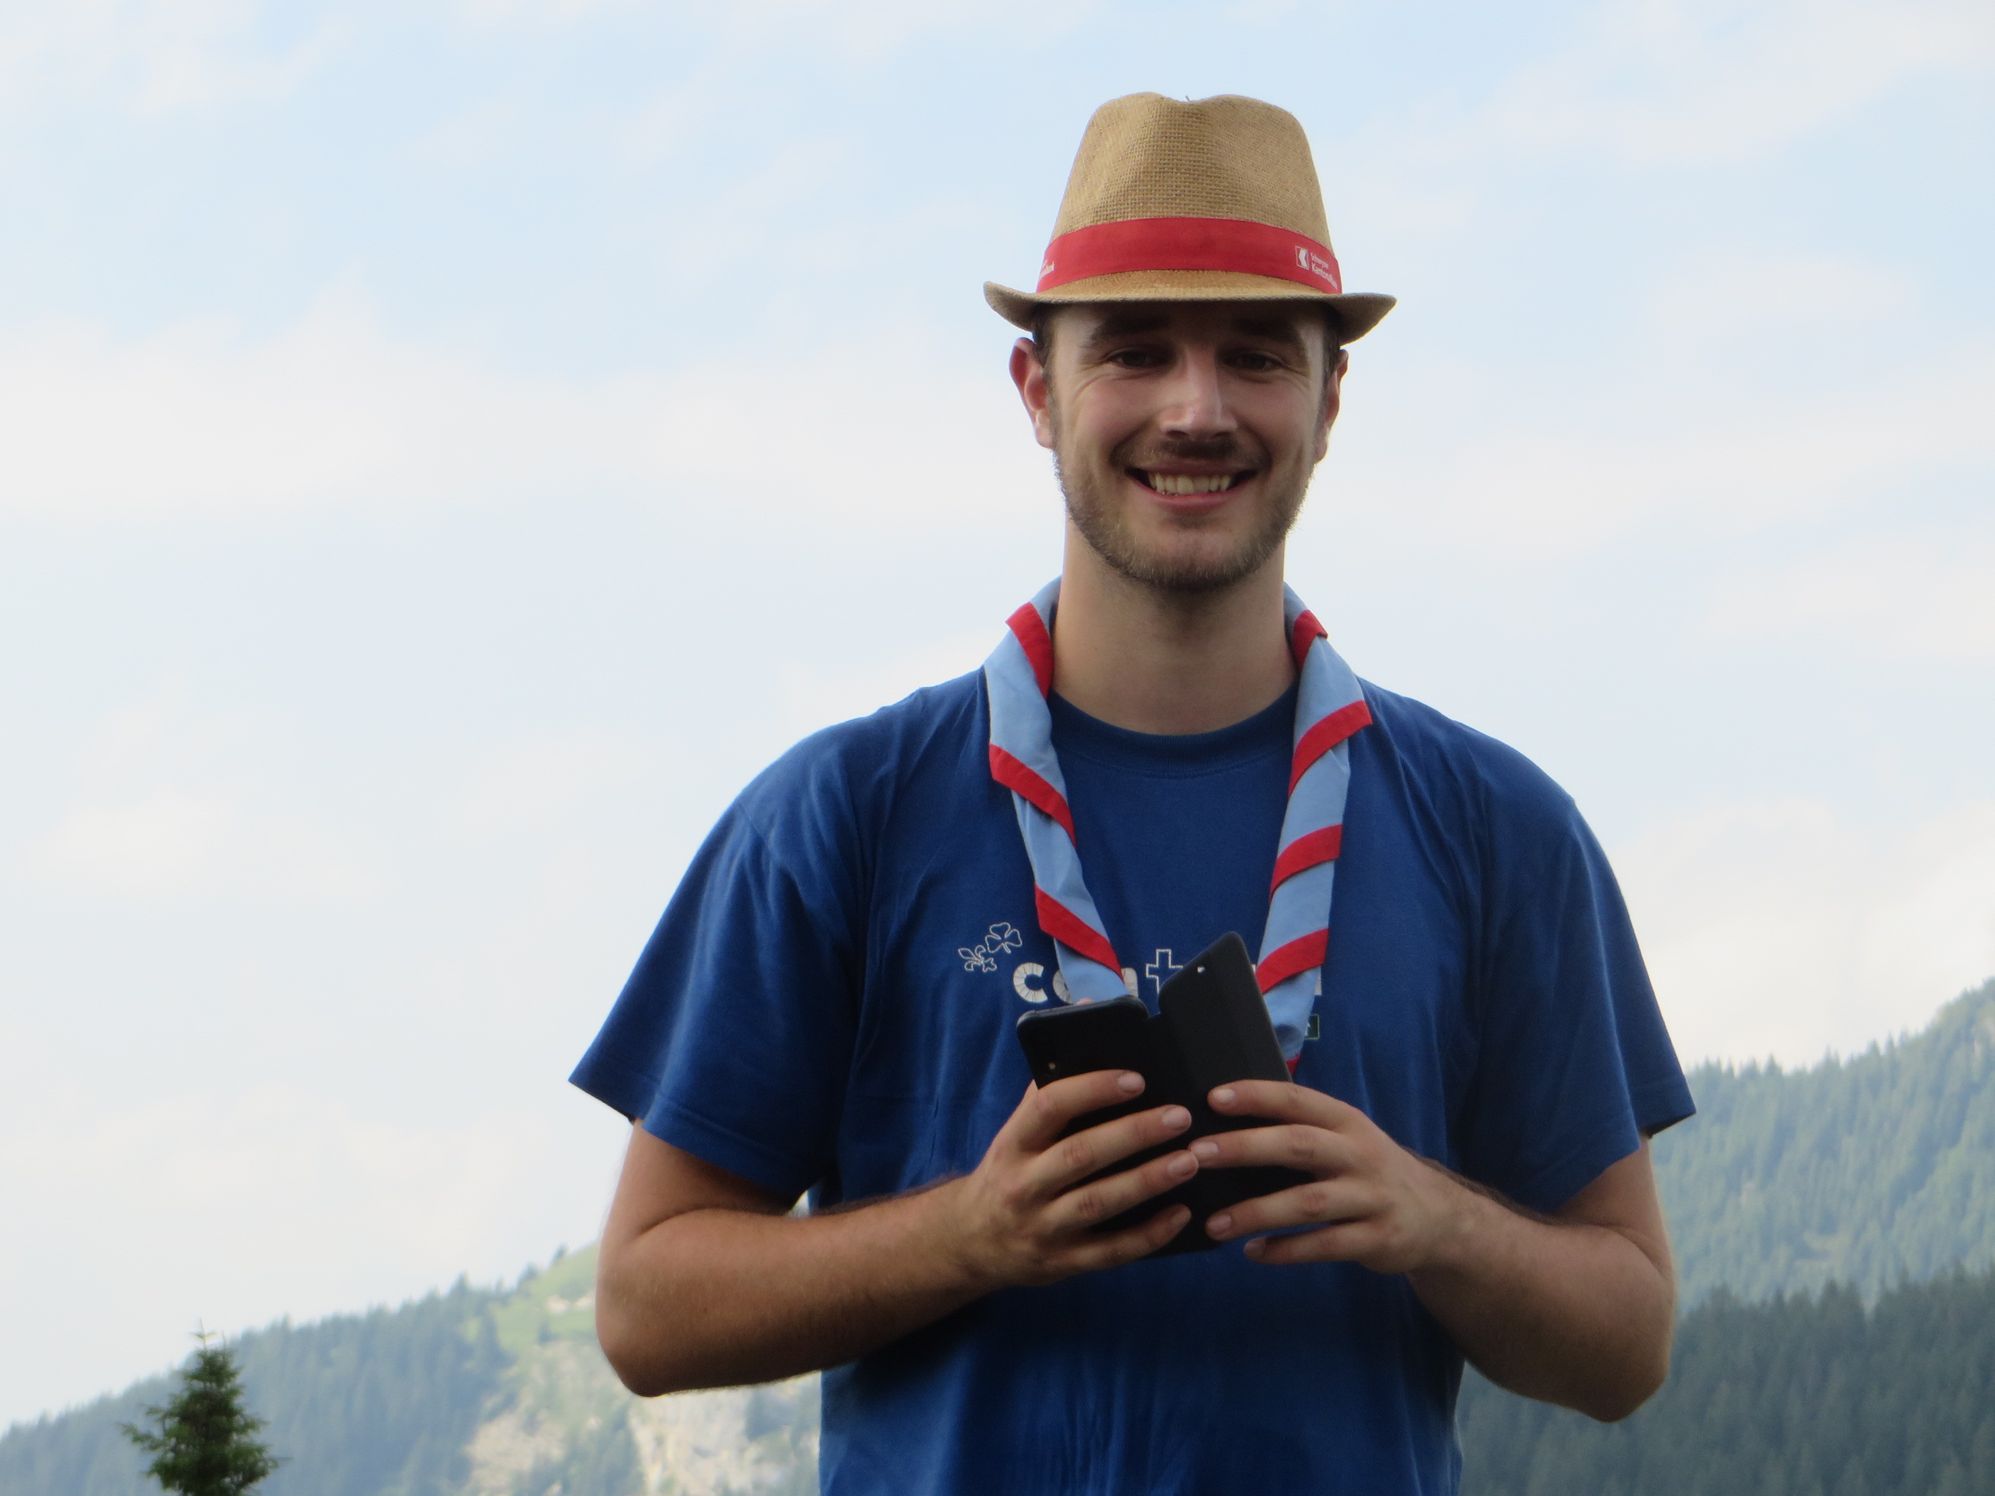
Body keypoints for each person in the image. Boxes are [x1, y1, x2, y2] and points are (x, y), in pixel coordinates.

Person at [571, 92, 1694, 1495]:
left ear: (1331, 402)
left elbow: (1627, 1343)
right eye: (1136, 351)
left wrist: (1436, 1220)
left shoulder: (1502, 832)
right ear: (1038, 391)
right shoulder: (838, 816)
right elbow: (646, 1307)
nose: (1197, 410)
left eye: (1257, 357)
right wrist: (969, 1235)